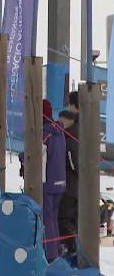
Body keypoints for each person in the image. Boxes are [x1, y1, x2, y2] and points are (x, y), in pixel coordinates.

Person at [42, 99, 67, 261]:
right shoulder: (60, 131)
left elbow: (36, 154)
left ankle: (51, 254)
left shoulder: (45, 132)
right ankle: (56, 248)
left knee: (48, 218)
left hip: (48, 182)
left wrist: (23, 157)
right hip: (61, 181)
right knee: (54, 217)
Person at [58, 105, 79, 257]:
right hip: (76, 187)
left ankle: (71, 248)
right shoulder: (79, 134)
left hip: (70, 187)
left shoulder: (70, 139)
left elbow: (74, 163)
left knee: (65, 217)